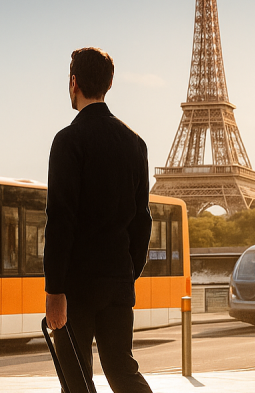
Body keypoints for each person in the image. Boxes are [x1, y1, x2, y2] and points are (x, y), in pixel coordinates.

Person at [43, 47, 154, 393]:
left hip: (77, 285)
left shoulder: (67, 141)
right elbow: (142, 222)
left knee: (76, 380)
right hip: (118, 281)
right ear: (109, 84)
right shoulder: (136, 143)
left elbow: (60, 219)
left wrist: (54, 290)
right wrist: (125, 273)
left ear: (74, 83)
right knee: (122, 370)